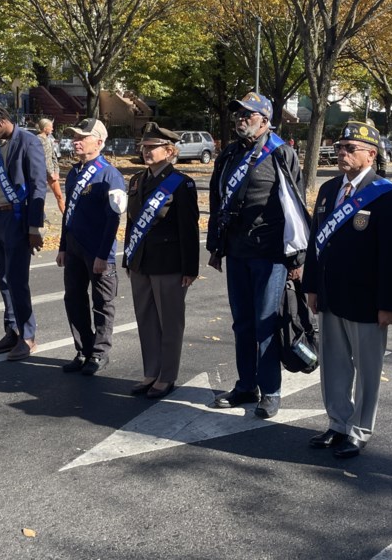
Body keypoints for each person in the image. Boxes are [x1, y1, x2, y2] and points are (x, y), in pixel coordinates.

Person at [302, 121, 392, 459]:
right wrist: (312, 286)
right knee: (333, 363)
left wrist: (388, 304)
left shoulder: (387, 195)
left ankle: (359, 430)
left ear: (371, 154)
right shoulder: (329, 189)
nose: (342, 153)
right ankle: (337, 423)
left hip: (367, 299)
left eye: (351, 149)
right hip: (332, 293)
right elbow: (315, 243)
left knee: (367, 369)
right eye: (340, 148)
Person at [206, 91, 308, 420]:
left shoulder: (281, 153)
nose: (240, 119)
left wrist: (297, 260)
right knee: (242, 324)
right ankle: (246, 385)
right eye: (237, 113)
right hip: (237, 252)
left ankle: (271, 391)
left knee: (266, 324)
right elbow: (217, 200)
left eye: (247, 114)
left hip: (270, 254)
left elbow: (295, 206)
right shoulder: (229, 154)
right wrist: (216, 246)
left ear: (264, 120)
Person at [122, 122, 200, 399]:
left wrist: (190, 268)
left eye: (152, 147)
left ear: (169, 151)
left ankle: (167, 376)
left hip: (169, 263)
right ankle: (150, 371)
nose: (146, 151)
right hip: (141, 261)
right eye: (144, 147)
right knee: (145, 318)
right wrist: (127, 258)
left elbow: (189, 229)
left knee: (170, 321)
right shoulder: (136, 181)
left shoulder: (181, 184)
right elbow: (132, 223)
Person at [0, 99, 47, 361]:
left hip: (18, 219)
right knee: (3, 281)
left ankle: (28, 337)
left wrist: (34, 227)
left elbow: (39, 185)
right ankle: (12, 331)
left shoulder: (29, 142)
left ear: (1, 119)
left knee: (17, 281)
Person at [57, 118, 127, 376]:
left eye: (81, 137)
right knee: (73, 299)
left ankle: (99, 353)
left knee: (102, 302)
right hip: (74, 247)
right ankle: (83, 349)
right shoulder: (74, 172)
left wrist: (104, 255)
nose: (75, 141)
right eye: (74, 137)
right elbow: (69, 214)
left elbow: (113, 217)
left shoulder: (110, 174)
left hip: (97, 250)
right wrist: (63, 246)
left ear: (98, 142)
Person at [36, 118, 67, 216]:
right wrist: (51, 173)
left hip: (51, 172)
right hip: (40, 173)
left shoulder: (49, 139)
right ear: (45, 128)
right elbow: (43, 159)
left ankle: (67, 217)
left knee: (59, 196)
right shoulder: (38, 140)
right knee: (40, 197)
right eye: (51, 126)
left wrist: (56, 171)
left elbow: (53, 156)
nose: (52, 128)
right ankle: (40, 218)